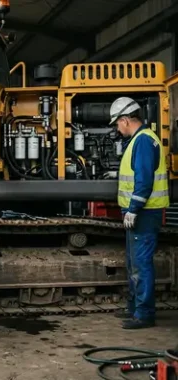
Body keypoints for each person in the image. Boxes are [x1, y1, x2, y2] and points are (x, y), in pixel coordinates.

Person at [110, 96, 168, 330]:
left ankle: (143, 314)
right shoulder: (141, 140)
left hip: (143, 213)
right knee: (134, 262)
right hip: (142, 212)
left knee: (140, 263)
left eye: (117, 123)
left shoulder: (143, 141)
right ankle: (135, 310)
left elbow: (144, 181)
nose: (117, 128)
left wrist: (133, 209)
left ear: (125, 120)